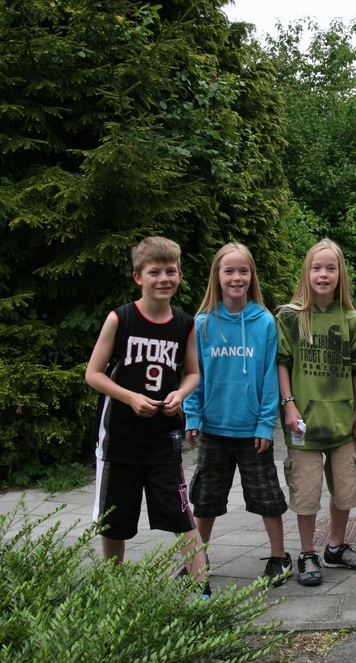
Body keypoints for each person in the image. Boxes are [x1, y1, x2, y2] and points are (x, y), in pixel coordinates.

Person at [85, 236, 209, 594]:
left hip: (163, 440)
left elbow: (193, 373)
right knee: (116, 520)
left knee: (182, 516)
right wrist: (130, 398)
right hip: (120, 439)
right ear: (138, 277)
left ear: (180, 275)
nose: (163, 279)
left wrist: (180, 394)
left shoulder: (184, 323)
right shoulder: (120, 318)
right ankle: (113, 587)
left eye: (170, 271)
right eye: (155, 272)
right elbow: (93, 374)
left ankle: (202, 591)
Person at [183, 243, 291, 586]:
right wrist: (191, 416)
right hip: (214, 428)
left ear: (252, 276)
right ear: (217, 276)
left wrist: (265, 424)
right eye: (228, 271)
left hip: (252, 431)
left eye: (243, 271)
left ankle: (279, 557)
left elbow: (269, 379)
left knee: (267, 496)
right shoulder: (202, 324)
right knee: (205, 498)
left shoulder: (264, 323)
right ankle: (197, 560)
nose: (236, 277)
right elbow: (194, 375)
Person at [276, 239, 356, 587]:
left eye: (330, 268)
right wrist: (288, 404)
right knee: (306, 494)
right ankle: (307, 553)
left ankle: (335, 546)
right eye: (317, 268)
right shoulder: (290, 316)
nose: (323, 274)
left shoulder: (351, 319)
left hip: (342, 423)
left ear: (340, 274)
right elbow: (282, 362)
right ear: (306, 272)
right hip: (303, 422)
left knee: (346, 489)